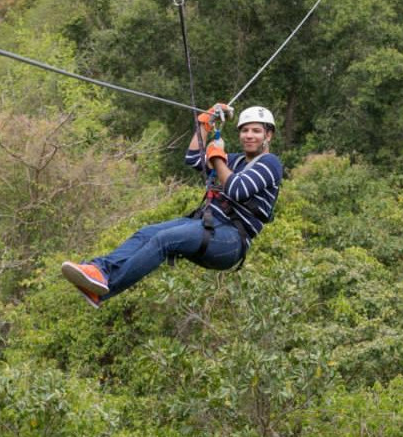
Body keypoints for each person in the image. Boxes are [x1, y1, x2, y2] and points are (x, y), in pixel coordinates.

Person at [60, 105, 283, 308]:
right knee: (146, 233)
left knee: (164, 240)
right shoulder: (234, 161)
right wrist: (204, 123)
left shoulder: (270, 163)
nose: (249, 136)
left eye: (256, 131)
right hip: (207, 224)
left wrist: (217, 158)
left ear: (268, 135)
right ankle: (99, 271)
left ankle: (104, 291)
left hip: (230, 239)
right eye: (245, 131)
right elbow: (193, 157)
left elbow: (237, 189)